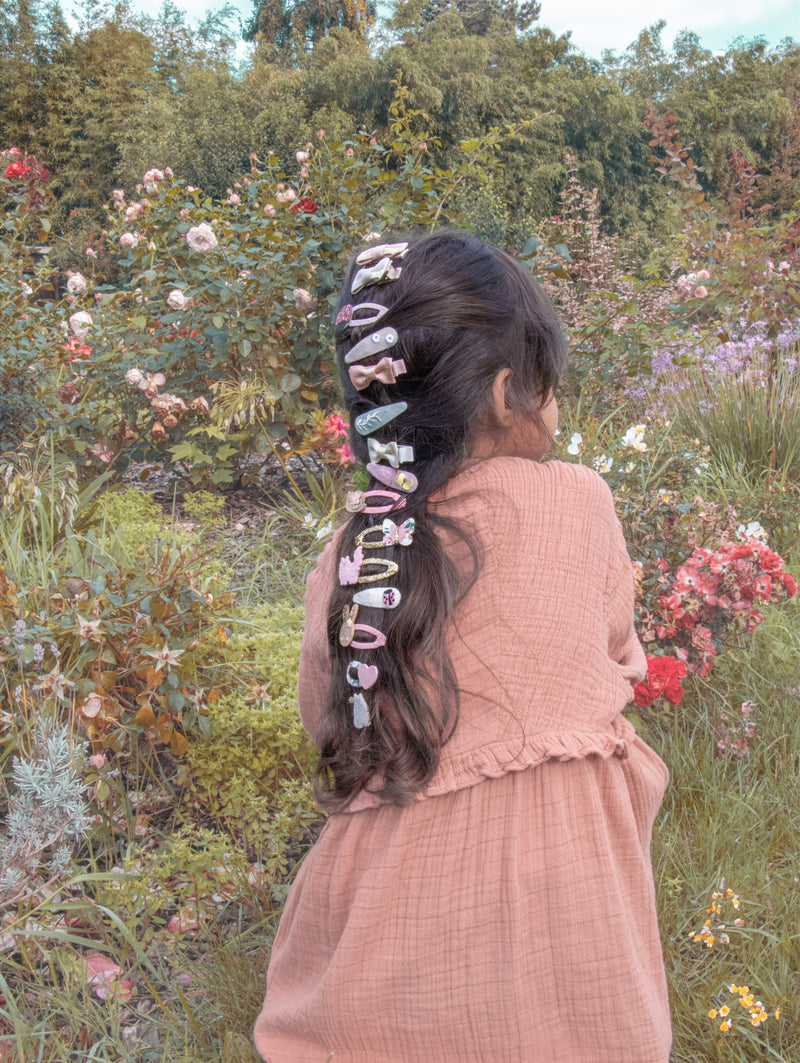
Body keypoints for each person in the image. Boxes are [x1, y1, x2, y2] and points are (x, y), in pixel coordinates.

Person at [253, 232, 672, 1062]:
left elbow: (330, 722)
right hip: (574, 984)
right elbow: (623, 659)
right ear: (509, 390)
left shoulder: (349, 555)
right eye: (549, 378)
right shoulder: (577, 503)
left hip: (355, 1003)